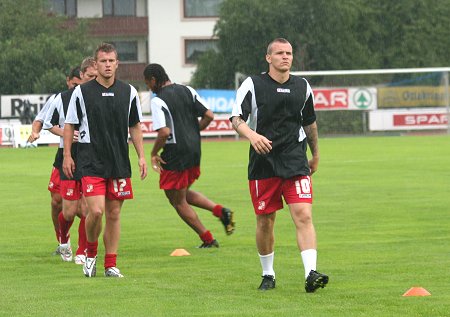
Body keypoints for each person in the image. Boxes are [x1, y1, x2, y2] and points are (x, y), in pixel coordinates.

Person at [230, 38, 328, 293]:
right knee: (265, 221)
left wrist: (315, 154)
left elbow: (310, 122)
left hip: (295, 159)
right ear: (268, 58)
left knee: (304, 215)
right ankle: (268, 273)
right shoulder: (253, 84)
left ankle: (311, 274)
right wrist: (252, 136)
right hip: (263, 163)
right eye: (280, 53)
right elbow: (235, 117)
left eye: (289, 53)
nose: (285, 57)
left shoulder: (302, 86)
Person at [63, 43, 147, 278]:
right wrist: (68, 155)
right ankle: (90, 255)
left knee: (114, 214)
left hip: (118, 161)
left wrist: (141, 156)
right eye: (103, 61)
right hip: (91, 160)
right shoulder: (82, 92)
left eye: (111, 61)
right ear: (96, 64)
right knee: (96, 211)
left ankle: (110, 264)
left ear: (117, 63)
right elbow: (70, 124)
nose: (107, 65)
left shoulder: (129, 92)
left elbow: (135, 126)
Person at [143, 63, 235, 248]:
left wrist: (153, 153)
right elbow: (209, 115)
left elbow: (163, 132)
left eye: (147, 83)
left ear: (153, 80)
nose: (148, 88)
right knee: (182, 193)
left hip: (175, 154)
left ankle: (208, 239)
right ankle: (220, 211)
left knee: (177, 201)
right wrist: (194, 133)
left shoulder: (158, 100)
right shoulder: (187, 90)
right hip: (194, 150)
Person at [43, 57, 97, 265]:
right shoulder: (63, 98)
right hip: (68, 157)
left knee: (87, 209)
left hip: (91, 158)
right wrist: (67, 133)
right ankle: (63, 240)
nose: (93, 80)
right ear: (81, 76)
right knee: (69, 210)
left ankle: (83, 251)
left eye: (96, 76)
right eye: (90, 76)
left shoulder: (99, 97)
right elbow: (49, 123)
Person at [27, 67, 82, 254]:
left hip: (85, 154)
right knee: (56, 202)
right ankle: (62, 241)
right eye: (75, 84)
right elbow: (41, 120)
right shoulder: (58, 98)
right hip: (63, 154)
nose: (77, 88)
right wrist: (35, 132)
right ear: (68, 81)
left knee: (83, 206)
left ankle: (84, 248)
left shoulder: (89, 96)